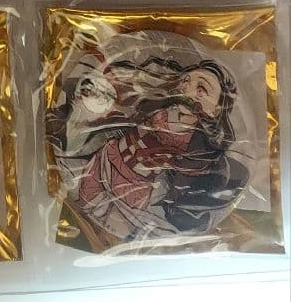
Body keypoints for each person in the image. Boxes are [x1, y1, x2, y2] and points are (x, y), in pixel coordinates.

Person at [50, 55, 247, 241]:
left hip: (133, 183)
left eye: (201, 89)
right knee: (86, 201)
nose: (186, 90)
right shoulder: (160, 107)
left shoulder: (196, 143)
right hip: (106, 159)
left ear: (216, 110)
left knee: (113, 220)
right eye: (186, 81)